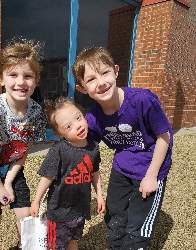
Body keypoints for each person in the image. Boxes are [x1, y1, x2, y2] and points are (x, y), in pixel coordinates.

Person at [72, 46, 173, 250]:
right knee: (115, 218)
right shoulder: (93, 119)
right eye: (91, 79)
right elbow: (84, 149)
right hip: (122, 169)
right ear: (82, 88)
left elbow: (164, 136)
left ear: (116, 71)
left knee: (138, 226)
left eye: (105, 72)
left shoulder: (142, 100)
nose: (101, 83)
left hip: (150, 169)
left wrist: (152, 176)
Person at [0, 39, 47, 250]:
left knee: (25, 217)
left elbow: (25, 149)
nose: (21, 82)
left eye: (28, 76)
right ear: (1, 79)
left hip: (12, 165)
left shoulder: (37, 113)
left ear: (36, 80)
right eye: (13, 75)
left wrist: (9, 180)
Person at [30, 97, 105, 250]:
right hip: (58, 212)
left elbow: (95, 173)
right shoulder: (58, 150)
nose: (78, 126)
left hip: (79, 210)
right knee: (56, 246)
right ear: (58, 133)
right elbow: (47, 177)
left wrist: (100, 196)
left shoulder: (93, 148)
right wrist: (36, 201)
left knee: (73, 241)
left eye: (78, 118)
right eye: (68, 126)